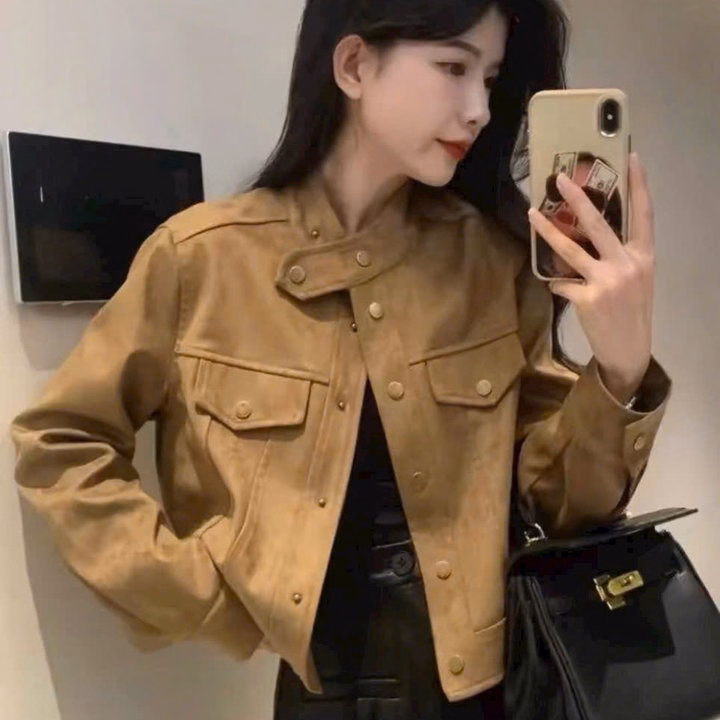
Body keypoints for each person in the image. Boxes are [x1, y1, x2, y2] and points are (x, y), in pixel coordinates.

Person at [10, 0, 672, 718]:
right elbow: (60, 443)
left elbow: (561, 505)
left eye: (490, 78)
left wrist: (621, 369)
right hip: (324, 698)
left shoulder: (494, 260)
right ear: (354, 65)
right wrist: (193, 590)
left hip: (501, 688)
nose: (480, 109)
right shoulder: (204, 260)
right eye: (453, 67)